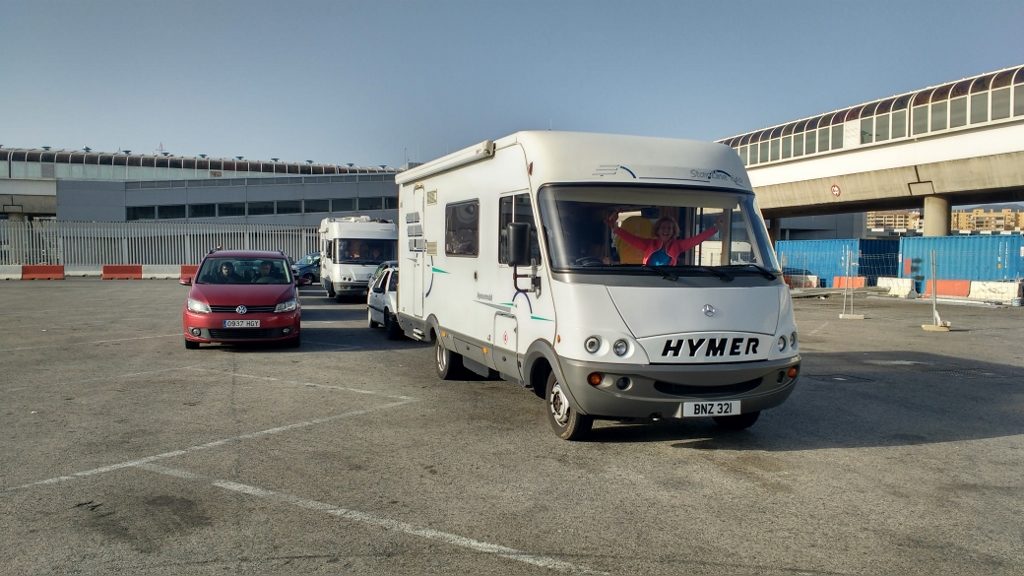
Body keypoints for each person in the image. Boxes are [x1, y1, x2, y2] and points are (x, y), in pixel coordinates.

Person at [606, 212, 724, 266]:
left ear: (674, 231)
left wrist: (715, 228)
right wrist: (615, 229)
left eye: (669, 228)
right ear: (657, 230)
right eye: (663, 228)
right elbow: (631, 239)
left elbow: (696, 240)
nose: (666, 230)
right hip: (648, 279)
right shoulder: (649, 244)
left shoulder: (678, 245)